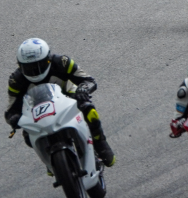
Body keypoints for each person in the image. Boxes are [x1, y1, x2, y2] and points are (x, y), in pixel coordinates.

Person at [6, 38, 115, 167]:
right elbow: (11, 109)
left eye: (39, 65)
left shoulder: (62, 62)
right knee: (28, 135)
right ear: (20, 66)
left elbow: (88, 80)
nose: (35, 71)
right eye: (28, 67)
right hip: (37, 109)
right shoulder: (16, 80)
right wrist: (13, 118)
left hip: (67, 96)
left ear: (48, 59)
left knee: (89, 109)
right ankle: (49, 159)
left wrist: (83, 89)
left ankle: (100, 143)